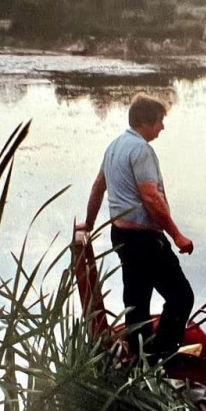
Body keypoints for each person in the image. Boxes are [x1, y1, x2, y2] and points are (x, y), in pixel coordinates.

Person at [77, 93, 194, 360]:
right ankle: (162, 356)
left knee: (137, 303)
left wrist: (90, 222)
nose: (162, 127)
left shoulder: (114, 146)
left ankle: (139, 360)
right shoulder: (141, 150)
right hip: (145, 240)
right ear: (146, 121)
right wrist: (176, 235)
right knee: (181, 297)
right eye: (160, 122)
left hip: (121, 236)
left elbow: (98, 187)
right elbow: (150, 197)